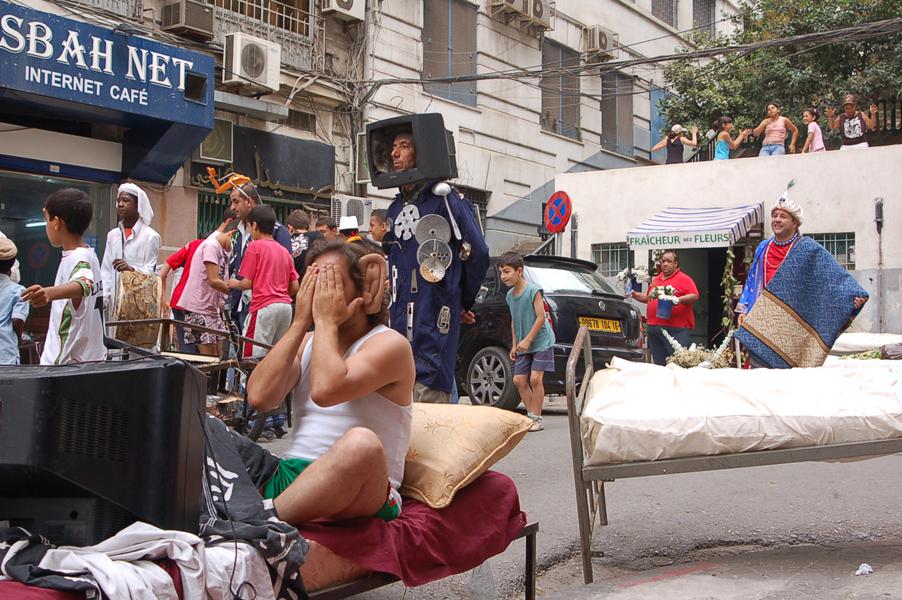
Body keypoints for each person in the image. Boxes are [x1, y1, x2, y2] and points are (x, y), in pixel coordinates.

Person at [246, 241, 415, 524]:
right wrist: (300, 322)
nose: (320, 293)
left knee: (361, 444)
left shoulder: (390, 345)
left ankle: (266, 521)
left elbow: (327, 390)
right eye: (314, 281)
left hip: (361, 486)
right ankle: (265, 512)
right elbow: (260, 397)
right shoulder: (309, 343)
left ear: (367, 290)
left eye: (331, 281)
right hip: (292, 474)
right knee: (206, 429)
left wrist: (325, 322)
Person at [383, 130, 490, 403]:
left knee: (429, 401)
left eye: (404, 146)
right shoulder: (396, 207)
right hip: (399, 324)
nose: (394, 153)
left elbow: (477, 251)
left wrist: (461, 300)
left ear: (422, 153)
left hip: (433, 316)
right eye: (393, 147)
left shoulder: (445, 199)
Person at [737, 193, 866, 323]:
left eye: (783, 216)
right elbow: (752, 279)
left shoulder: (806, 248)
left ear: (795, 222)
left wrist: (852, 297)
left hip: (795, 318)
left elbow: (832, 276)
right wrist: (744, 308)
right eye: (774, 216)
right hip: (764, 316)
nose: (777, 220)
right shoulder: (763, 247)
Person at [22, 188, 105, 365]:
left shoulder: (78, 258)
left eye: (46, 219)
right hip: (89, 361)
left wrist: (49, 293)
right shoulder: (89, 254)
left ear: (56, 222)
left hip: (66, 366)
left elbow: (84, 283)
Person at [159, 211, 236, 354]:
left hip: (199, 305)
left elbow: (163, 271)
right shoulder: (209, 246)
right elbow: (214, 281)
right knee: (193, 353)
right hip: (193, 305)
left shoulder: (204, 246)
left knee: (201, 352)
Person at [499, 252, 554, 432]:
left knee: (535, 379)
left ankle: (536, 418)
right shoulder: (509, 296)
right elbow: (514, 320)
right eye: (501, 272)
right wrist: (515, 344)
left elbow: (540, 318)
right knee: (518, 380)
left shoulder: (533, 291)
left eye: (507, 272)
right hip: (523, 343)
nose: (503, 276)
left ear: (519, 271)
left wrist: (528, 339)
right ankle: (531, 416)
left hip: (540, 340)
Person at [100, 182, 161, 321]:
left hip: (137, 308)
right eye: (118, 201)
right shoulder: (113, 235)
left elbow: (152, 274)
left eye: (126, 200)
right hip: (112, 307)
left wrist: (131, 269)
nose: (120, 204)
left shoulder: (151, 236)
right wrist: (103, 299)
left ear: (138, 206)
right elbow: (106, 270)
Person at [631, 250, 699, 366]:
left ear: (676, 263)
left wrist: (679, 300)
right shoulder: (656, 280)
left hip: (676, 329)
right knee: (660, 364)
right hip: (654, 329)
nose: (665, 264)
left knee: (677, 363)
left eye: (669, 261)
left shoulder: (684, 279)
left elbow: (695, 296)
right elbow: (649, 298)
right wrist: (635, 295)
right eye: (663, 261)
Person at [177, 227, 232, 357]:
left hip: (212, 309)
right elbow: (213, 280)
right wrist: (237, 289)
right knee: (209, 358)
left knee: (219, 356)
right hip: (200, 308)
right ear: (231, 233)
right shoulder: (211, 245)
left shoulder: (222, 251)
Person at [0, 238, 28, 365]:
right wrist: (19, 339)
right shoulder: (19, 291)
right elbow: (17, 319)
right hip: (5, 355)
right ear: (12, 265)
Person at [287, 209, 324, 281]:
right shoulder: (318, 236)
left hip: (296, 288)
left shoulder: (285, 244)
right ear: (309, 227)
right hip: (318, 285)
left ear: (290, 228)